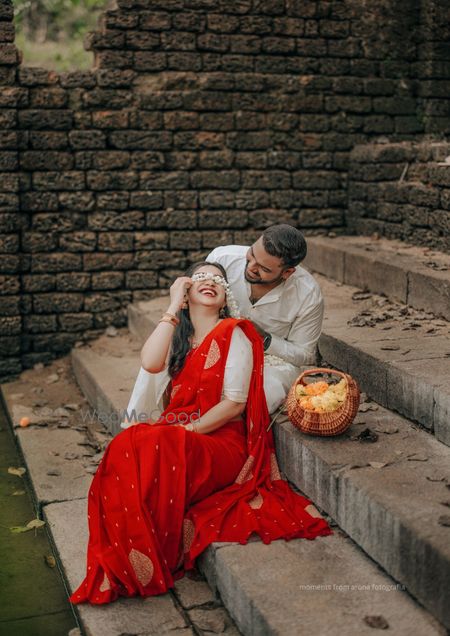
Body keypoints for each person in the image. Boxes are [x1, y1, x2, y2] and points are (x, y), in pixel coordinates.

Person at [69, 262, 332, 605]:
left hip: (221, 441)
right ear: (187, 289)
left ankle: (143, 560)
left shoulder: (235, 332)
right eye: (201, 278)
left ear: (225, 297)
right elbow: (150, 363)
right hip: (181, 432)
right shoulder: (181, 338)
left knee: (149, 442)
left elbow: (234, 405)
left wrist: (187, 429)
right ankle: (128, 558)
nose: (210, 282)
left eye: (218, 280)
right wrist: (172, 306)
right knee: (125, 445)